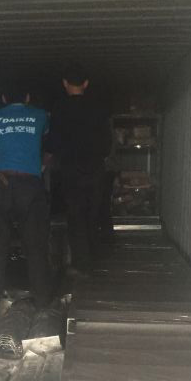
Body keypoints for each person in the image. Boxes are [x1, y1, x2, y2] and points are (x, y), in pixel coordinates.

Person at [0, 84, 52, 309]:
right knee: (35, 244)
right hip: (30, 184)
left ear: (4, 97)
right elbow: (47, 139)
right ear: (28, 96)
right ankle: (42, 300)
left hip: (2, 182)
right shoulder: (40, 116)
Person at [48, 65, 111, 275]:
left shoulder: (59, 109)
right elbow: (107, 143)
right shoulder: (99, 108)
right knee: (93, 214)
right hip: (95, 168)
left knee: (75, 216)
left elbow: (53, 142)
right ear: (86, 84)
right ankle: (95, 258)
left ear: (65, 83)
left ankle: (81, 264)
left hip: (70, 169)